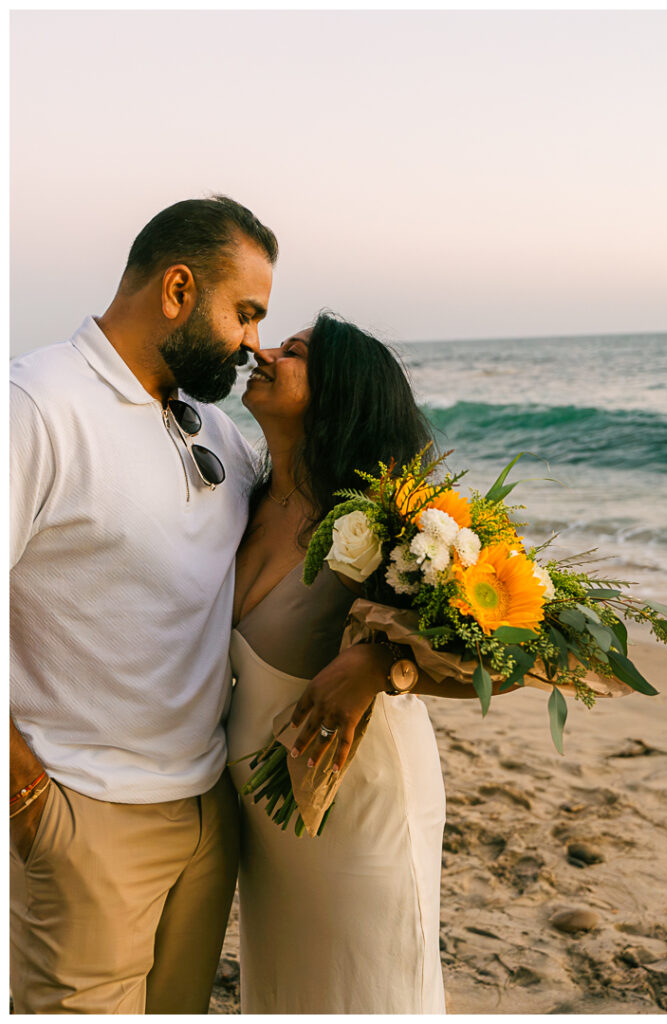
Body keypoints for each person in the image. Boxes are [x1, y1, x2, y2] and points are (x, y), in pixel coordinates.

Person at [9, 194, 277, 1014]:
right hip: (85, 817)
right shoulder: (37, 403)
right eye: (245, 313)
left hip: (206, 811)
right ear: (178, 290)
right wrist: (28, 798)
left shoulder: (212, 427)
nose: (253, 344)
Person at [228, 313, 512, 1014]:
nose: (263, 354)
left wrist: (384, 665)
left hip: (360, 805)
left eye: (292, 353)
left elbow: (501, 658)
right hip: (266, 820)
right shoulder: (241, 501)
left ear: (340, 391)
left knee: (371, 989)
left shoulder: (393, 516)